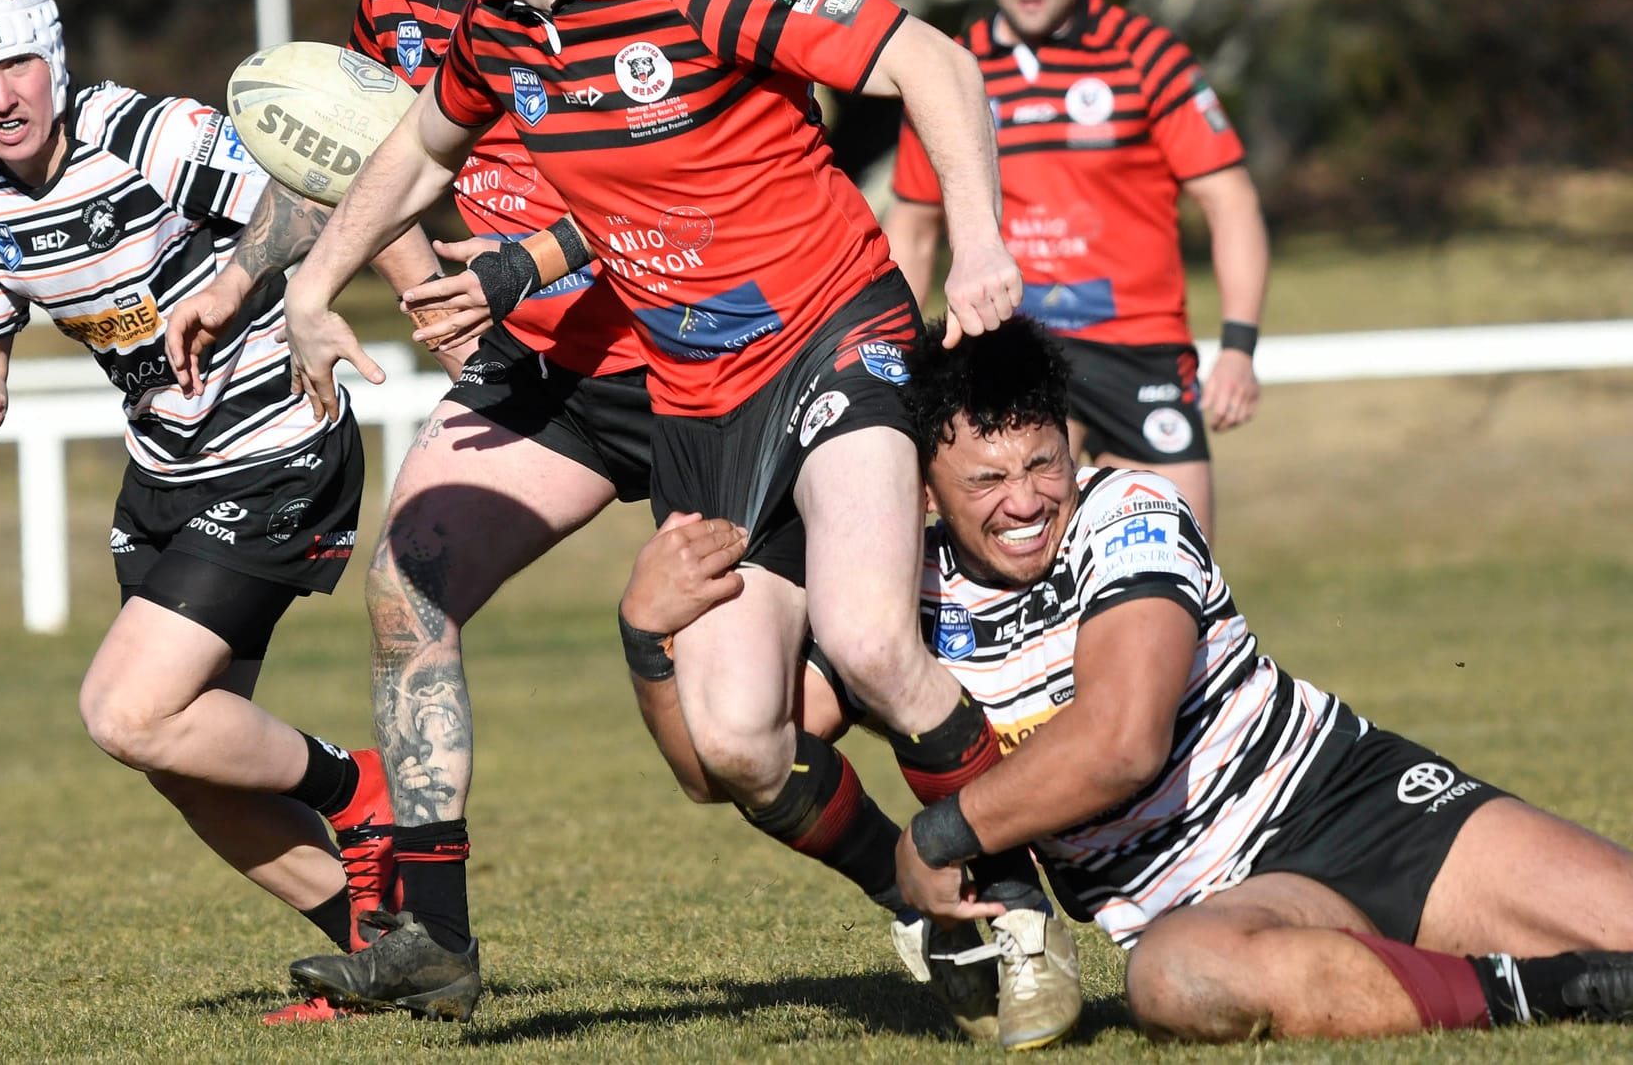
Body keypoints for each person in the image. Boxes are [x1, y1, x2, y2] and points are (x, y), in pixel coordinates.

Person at [265, 0, 1084, 1031]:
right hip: (700, 399)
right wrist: (315, 286)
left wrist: (976, 242)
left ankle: (1018, 908)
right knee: (736, 744)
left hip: (836, 335)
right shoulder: (497, 30)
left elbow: (930, 61)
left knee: (868, 640)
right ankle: (924, 899)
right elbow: (416, 150)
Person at [625, 316, 1633, 1044]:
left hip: (1353, 804)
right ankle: (1559, 992)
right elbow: (733, 760)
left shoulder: (1127, 511)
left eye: (1043, 464)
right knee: (1177, 980)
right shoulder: (893, 602)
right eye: (987, 479)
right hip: (1207, 907)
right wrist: (648, 638)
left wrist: (933, 838)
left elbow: (1121, 741)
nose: (1026, 501)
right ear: (924, 486)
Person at [172, 0, 652, 1025]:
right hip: (536, 369)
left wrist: (507, 264)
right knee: (407, 588)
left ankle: (964, 850)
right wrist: (245, 279)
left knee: (767, 708)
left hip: (676, 348)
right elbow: (353, 155)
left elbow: (667, 177)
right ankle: (433, 939)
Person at [0, 0, 438, 1000]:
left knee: (126, 710)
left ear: (53, 57)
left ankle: (360, 790)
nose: (2, 96)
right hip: (165, 472)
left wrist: (426, 297)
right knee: (180, 756)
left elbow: (326, 189)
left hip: (279, 445)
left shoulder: (146, 136)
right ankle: (382, 953)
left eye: (18, 64)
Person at [884, 0, 1269, 537]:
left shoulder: (1148, 57)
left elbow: (1230, 201)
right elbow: (914, 226)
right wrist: (890, 361)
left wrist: (1238, 345)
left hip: (1137, 346)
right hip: (1009, 344)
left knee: (1176, 561)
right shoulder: (953, 70)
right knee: (1011, 561)